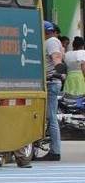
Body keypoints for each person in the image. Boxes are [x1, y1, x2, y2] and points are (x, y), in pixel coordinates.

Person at [38, 21, 63, 162]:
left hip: (51, 82)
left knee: (51, 117)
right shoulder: (53, 41)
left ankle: (55, 151)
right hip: (50, 81)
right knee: (49, 116)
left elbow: (56, 58)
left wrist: (59, 68)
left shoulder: (52, 41)